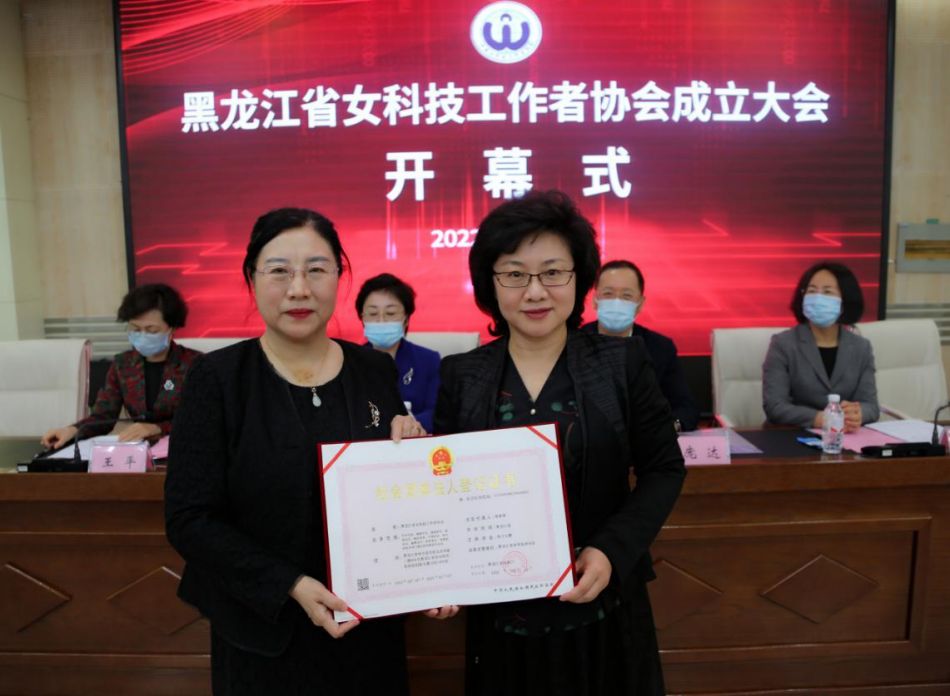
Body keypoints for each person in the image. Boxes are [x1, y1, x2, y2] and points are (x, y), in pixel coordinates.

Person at [164, 208, 442, 696]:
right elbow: (190, 518)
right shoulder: (218, 379)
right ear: (251, 279)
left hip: (367, 627)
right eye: (279, 271)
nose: (299, 289)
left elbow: (393, 491)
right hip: (264, 630)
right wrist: (289, 583)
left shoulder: (373, 370)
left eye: (316, 270)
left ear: (339, 276)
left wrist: (411, 453)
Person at [434, 191, 686, 696]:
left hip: (601, 605)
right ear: (490, 282)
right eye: (514, 274)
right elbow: (441, 484)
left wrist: (611, 550)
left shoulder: (622, 363)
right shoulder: (461, 375)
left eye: (552, 273)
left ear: (578, 279)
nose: (535, 292)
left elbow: (663, 468)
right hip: (500, 615)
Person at [40, 283, 200, 448]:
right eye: (136, 329)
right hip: (139, 452)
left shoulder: (196, 365)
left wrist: (157, 428)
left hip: (187, 448)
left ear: (172, 328)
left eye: (151, 330)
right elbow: (103, 416)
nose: (143, 335)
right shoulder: (123, 365)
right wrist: (72, 430)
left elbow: (203, 419)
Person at [583, 259, 701, 431]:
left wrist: (668, 428)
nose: (617, 302)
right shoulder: (573, 344)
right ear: (595, 300)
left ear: (640, 304)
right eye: (608, 294)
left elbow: (686, 408)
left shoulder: (660, 347)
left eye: (626, 296)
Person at [762, 261, 879, 431]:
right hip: (792, 435)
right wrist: (819, 418)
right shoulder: (783, 344)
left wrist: (858, 414)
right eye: (811, 291)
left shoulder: (861, 347)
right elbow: (775, 407)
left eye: (827, 292)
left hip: (845, 437)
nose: (817, 298)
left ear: (844, 301)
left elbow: (871, 406)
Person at [355, 273, 441, 432]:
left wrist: (410, 425)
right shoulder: (349, 362)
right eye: (373, 314)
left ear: (406, 319)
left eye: (390, 313)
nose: (381, 321)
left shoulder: (429, 360)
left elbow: (437, 412)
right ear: (362, 318)